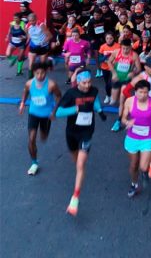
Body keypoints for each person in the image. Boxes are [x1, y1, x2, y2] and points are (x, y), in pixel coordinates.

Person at [55, 70, 105, 216]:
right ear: (78, 82)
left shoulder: (94, 90)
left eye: (89, 82)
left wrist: (100, 110)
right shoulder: (71, 94)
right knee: (76, 159)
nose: (88, 85)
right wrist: (76, 108)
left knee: (81, 164)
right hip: (71, 132)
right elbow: (58, 113)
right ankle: (79, 172)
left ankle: (75, 197)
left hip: (87, 132)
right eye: (84, 83)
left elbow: (94, 99)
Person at [19, 60, 61, 175]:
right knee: (31, 139)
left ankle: (44, 132)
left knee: (43, 137)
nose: (39, 76)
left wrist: (54, 111)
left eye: (42, 73)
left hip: (46, 115)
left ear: (46, 72)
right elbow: (25, 92)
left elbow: (59, 97)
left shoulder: (52, 84)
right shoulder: (29, 83)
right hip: (33, 113)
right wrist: (23, 103)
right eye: (37, 73)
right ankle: (34, 163)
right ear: (33, 72)